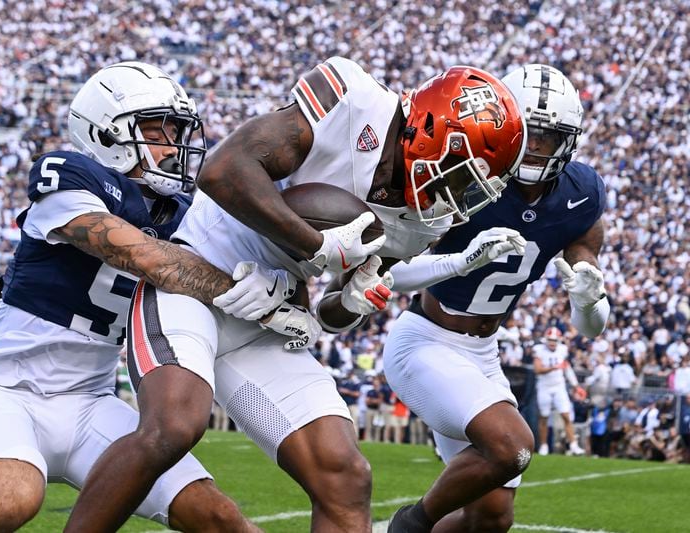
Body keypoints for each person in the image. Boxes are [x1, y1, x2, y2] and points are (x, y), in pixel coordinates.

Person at [66, 57, 527, 532]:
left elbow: (330, 312)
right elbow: (224, 171)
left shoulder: (422, 219)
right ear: (431, 131)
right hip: (194, 276)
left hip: (268, 314)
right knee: (172, 427)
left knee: (344, 474)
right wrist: (318, 245)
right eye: (459, 170)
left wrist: (352, 301)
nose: (457, 191)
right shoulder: (352, 98)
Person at [0, 61, 299, 533]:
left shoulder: (181, 212)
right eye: (158, 131)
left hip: (93, 399)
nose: (173, 146)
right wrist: (239, 290)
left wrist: (287, 277)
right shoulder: (69, 173)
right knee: (8, 501)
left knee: (218, 517)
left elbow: (251, 250)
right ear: (105, 135)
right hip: (12, 390)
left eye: (177, 131)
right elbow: (146, 257)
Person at [385, 63, 610, 532]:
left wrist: (590, 300)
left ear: (569, 141)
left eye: (550, 138)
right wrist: (458, 261)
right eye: (529, 134)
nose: (537, 148)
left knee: (491, 517)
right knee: (513, 447)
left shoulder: (581, 195)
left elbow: (589, 327)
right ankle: (409, 525)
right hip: (426, 339)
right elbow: (392, 272)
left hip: (484, 353)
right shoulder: (466, 174)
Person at [532, 327, 584, 456]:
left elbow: (567, 369)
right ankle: (543, 446)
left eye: (554, 340)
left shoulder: (562, 350)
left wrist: (575, 385)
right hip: (544, 386)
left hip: (559, 386)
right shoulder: (539, 351)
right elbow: (537, 370)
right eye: (550, 340)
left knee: (566, 416)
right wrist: (553, 367)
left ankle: (573, 445)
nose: (552, 342)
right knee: (544, 417)